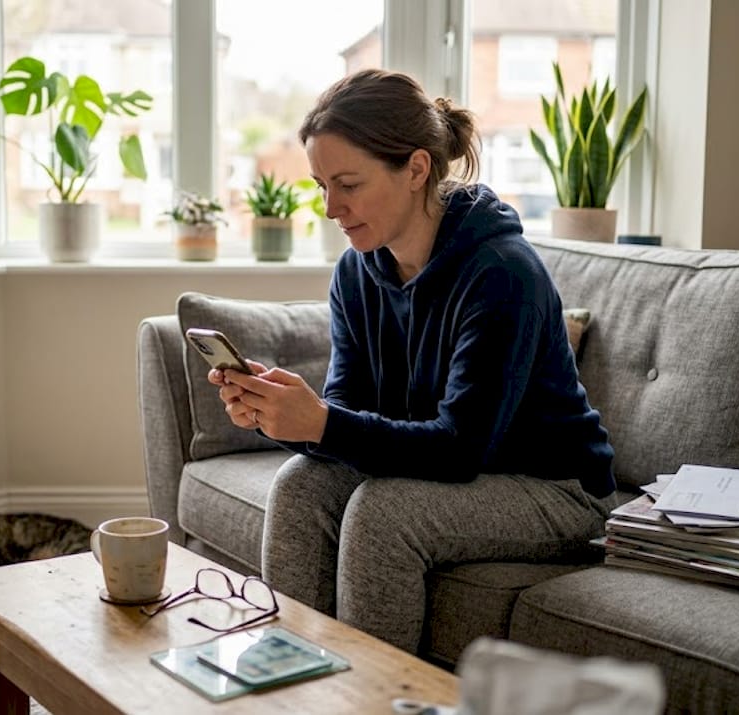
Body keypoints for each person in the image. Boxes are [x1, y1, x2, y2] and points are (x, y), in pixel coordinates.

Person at [207, 68, 616, 654]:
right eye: (322, 185)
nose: (330, 208)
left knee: (384, 513)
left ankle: (376, 699)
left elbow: (460, 447)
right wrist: (283, 416)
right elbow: (348, 418)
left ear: (417, 168)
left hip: (557, 487)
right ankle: (289, 686)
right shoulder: (355, 271)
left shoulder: (502, 273)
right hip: (456, 470)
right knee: (300, 486)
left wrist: (320, 423)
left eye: (347, 183)